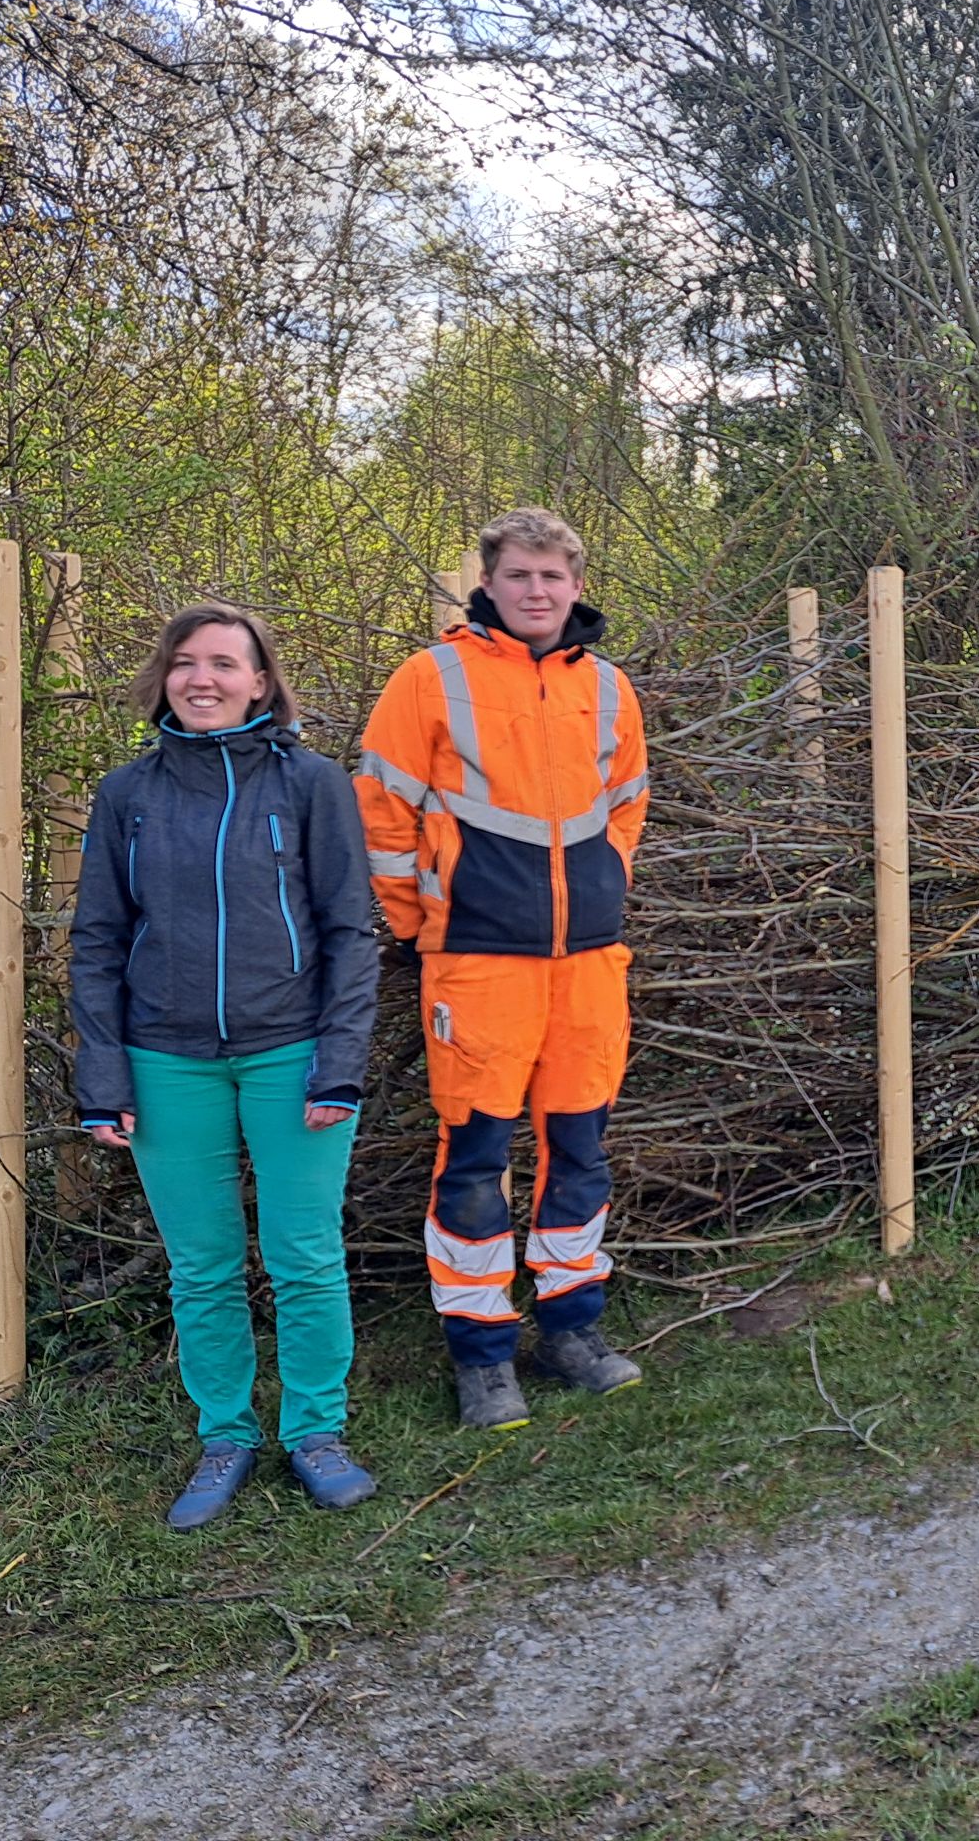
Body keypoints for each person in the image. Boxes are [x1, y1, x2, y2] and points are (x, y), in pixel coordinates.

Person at [71, 606, 380, 1530]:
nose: (199, 678)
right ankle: (225, 1437)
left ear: (260, 681)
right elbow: (96, 940)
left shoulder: (313, 784)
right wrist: (105, 1075)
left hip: (291, 1055)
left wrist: (340, 1064)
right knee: (201, 1266)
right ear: (163, 677)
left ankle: (316, 1435)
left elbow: (350, 933)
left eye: (223, 664)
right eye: (183, 662)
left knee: (306, 1258)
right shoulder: (127, 794)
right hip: (167, 1062)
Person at [358, 507, 652, 1430]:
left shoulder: (608, 688)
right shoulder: (429, 677)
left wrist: (600, 896)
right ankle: (483, 1354)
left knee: (580, 1155)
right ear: (486, 583)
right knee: (475, 1163)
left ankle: (572, 1331)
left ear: (576, 584)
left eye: (553, 576)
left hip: (590, 966)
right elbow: (381, 810)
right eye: (520, 575)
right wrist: (422, 922)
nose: (536, 591)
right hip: (479, 965)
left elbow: (627, 809)